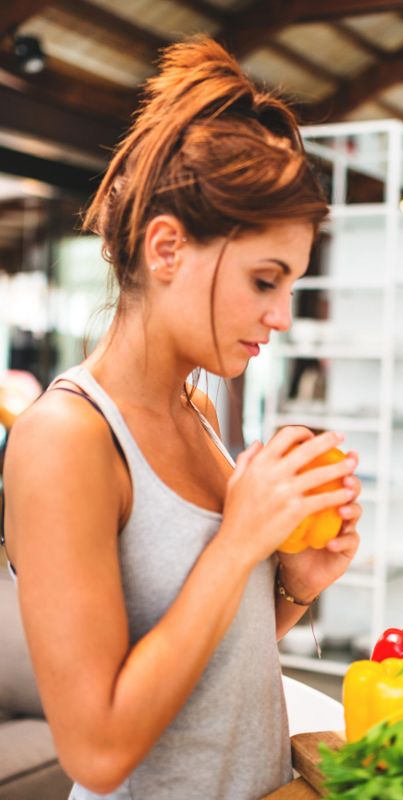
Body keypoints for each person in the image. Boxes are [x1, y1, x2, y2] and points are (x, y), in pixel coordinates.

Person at [1, 36, 362, 799]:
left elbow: (211, 663)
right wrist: (239, 541)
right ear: (167, 248)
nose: (283, 315)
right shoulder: (65, 440)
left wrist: (293, 583)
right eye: (266, 280)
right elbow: (97, 750)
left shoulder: (192, 407)